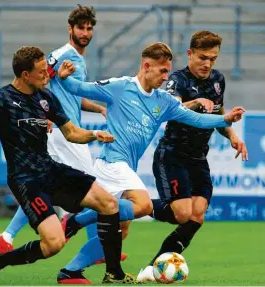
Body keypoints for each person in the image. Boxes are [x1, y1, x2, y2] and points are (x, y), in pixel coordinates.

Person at [0, 46, 137, 284]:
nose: (47, 76)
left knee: (108, 203)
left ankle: (114, 274)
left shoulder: (46, 97)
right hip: (25, 180)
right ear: (24, 75)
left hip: (51, 169)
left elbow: (72, 132)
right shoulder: (1, 99)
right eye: (41, 72)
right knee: (54, 244)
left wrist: (95, 134)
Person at [52, 41, 245, 283]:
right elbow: (81, 88)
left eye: (168, 71)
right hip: (111, 162)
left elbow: (196, 119)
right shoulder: (120, 87)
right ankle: (79, 219)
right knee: (142, 205)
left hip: (124, 167)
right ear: (146, 66)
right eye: (163, 71)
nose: (166, 77)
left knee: (121, 231)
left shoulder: (163, 102)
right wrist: (64, 78)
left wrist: (225, 119)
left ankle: (70, 270)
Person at [0, 8, 126, 276]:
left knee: (79, 191)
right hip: (64, 136)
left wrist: (97, 107)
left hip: (69, 128)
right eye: (80, 28)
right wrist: (39, 111)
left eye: (89, 29)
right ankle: (94, 246)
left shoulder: (77, 59)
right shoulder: (63, 55)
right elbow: (35, 79)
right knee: (90, 190)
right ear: (70, 28)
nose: (85, 34)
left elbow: (71, 95)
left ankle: (8, 237)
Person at [137, 31, 248, 281]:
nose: (207, 64)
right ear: (190, 54)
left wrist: (232, 136)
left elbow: (217, 114)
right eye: (202, 57)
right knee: (183, 214)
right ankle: (131, 206)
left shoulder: (218, 80)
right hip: (173, 154)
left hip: (198, 158)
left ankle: (153, 268)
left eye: (213, 58)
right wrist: (196, 101)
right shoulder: (177, 79)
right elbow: (169, 110)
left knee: (197, 214)